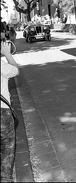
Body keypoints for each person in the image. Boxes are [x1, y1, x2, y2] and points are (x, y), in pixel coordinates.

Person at [1, 40, 19, 182]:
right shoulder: (1, 65)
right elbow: (15, 70)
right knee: (7, 150)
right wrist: (7, 53)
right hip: (2, 113)